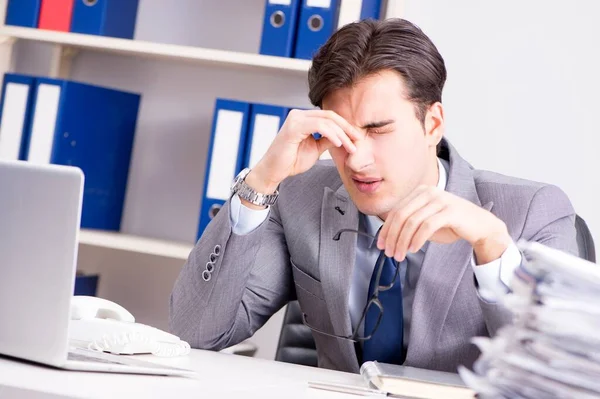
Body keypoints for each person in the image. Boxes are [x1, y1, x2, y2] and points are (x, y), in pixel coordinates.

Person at [169, 18, 578, 374]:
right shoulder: (298, 198)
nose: (357, 160)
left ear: (432, 123)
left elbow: (558, 374)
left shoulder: (533, 212)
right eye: (340, 135)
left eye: (378, 130)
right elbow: (198, 332)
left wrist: (492, 249)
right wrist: (259, 182)